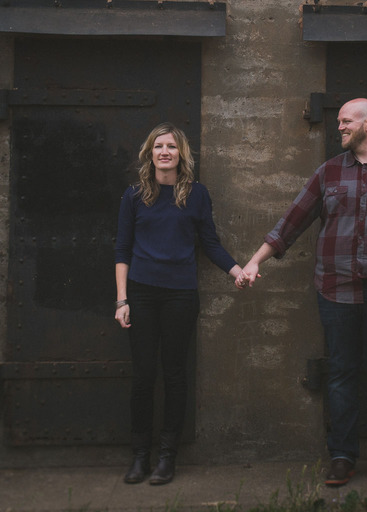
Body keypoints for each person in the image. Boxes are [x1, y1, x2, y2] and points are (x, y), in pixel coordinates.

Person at [237, 98, 367, 488]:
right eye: (338, 121)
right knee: (340, 375)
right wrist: (255, 261)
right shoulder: (328, 173)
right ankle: (342, 457)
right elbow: (290, 223)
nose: (339, 127)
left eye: (346, 121)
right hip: (336, 289)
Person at [114, 122, 244, 486]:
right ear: (150, 154)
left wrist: (236, 271)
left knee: (174, 375)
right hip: (141, 293)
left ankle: (167, 458)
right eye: (158, 146)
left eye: (171, 146)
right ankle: (140, 456)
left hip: (180, 296)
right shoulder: (135, 195)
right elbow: (122, 250)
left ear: (181, 153)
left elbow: (210, 243)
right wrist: (122, 299)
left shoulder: (197, 195)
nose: (165, 152)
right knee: (142, 376)